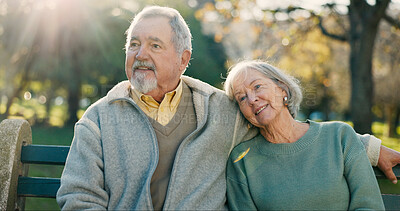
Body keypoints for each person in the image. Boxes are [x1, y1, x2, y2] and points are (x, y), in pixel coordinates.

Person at [56, 5, 399, 210]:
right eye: (134, 44)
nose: (140, 54)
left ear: (183, 59)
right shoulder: (98, 119)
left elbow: (284, 127)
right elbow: (78, 195)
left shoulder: (222, 111)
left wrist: (368, 147)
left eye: (155, 45)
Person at [224, 60, 385, 210]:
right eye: (242, 98)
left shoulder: (340, 135)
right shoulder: (241, 160)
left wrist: (374, 148)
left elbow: (370, 205)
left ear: (282, 89)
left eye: (257, 86)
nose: (252, 99)